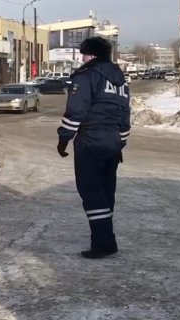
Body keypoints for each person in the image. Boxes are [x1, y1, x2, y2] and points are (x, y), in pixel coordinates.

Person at [56, 36, 131, 259]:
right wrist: (120, 143)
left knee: (91, 191)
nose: (82, 58)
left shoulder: (86, 76)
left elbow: (75, 111)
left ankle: (103, 243)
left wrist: (63, 138)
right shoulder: (120, 80)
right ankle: (105, 236)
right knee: (106, 191)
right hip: (113, 142)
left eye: (84, 54)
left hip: (91, 139)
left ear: (92, 54)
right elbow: (125, 115)